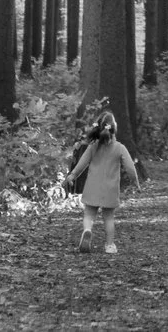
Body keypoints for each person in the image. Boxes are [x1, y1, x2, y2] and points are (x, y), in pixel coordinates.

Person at [66, 109, 142, 254]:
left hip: (92, 187)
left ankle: (87, 230)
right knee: (108, 218)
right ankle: (109, 245)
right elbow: (130, 168)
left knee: (89, 214)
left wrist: (72, 175)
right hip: (110, 190)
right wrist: (135, 182)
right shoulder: (120, 148)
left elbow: (82, 163)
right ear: (114, 128)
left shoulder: (93, 147)